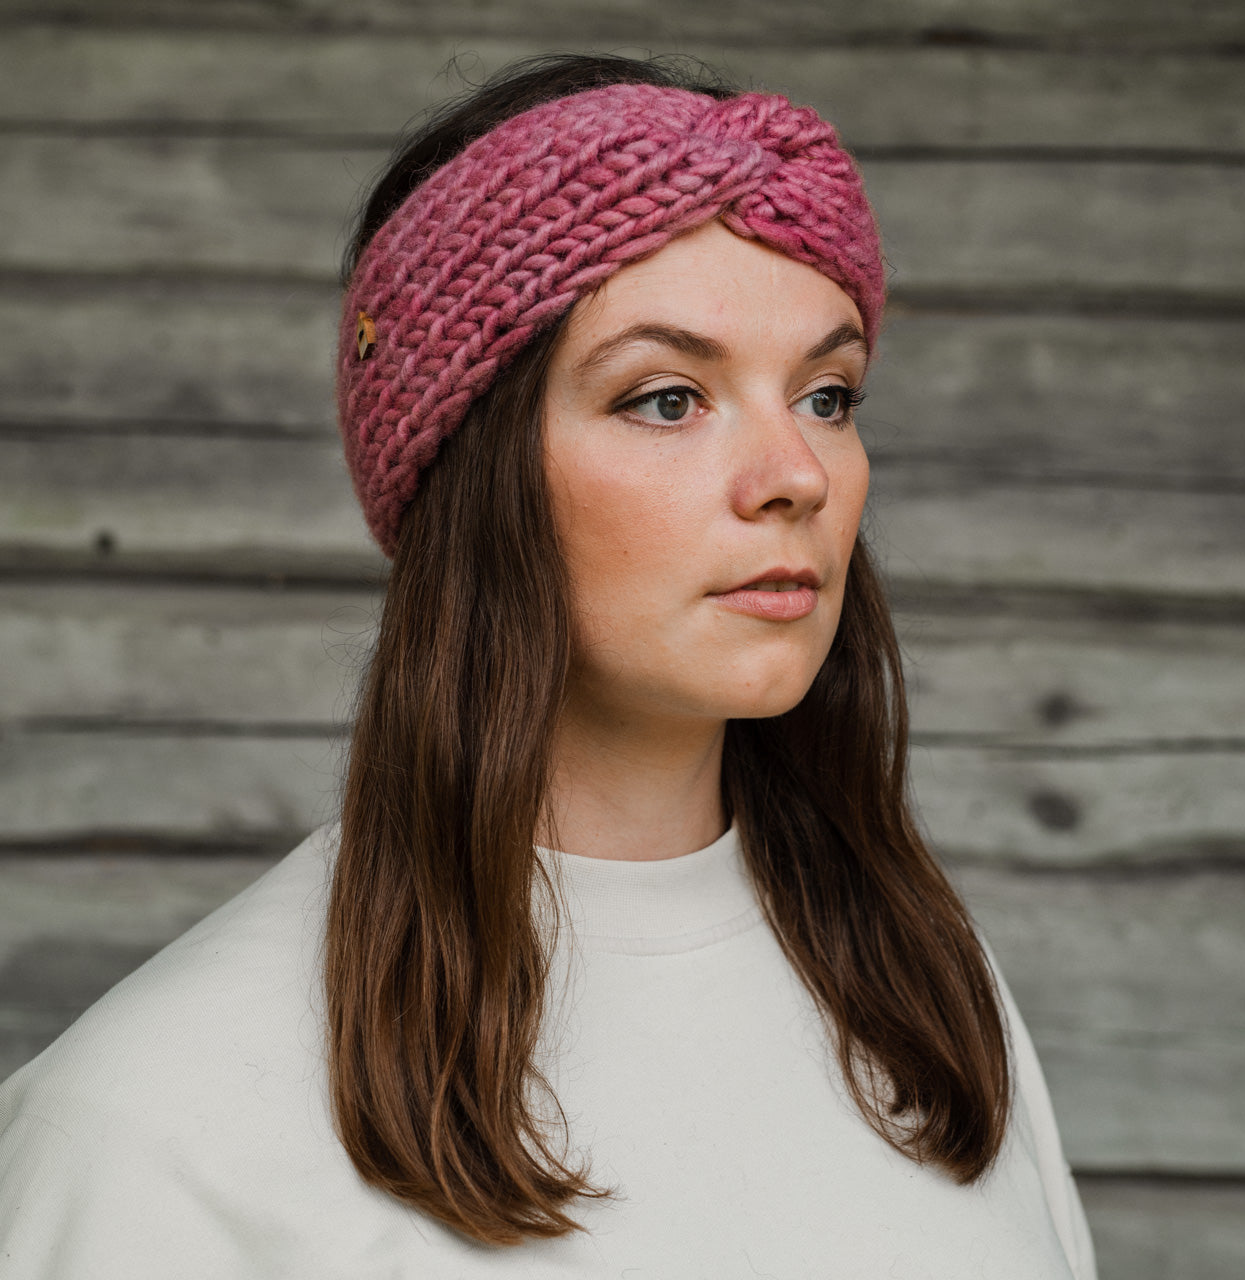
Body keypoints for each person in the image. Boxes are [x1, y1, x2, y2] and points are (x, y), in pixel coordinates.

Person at [0, 53, 1096, 1278]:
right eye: (668, 398)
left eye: (827, 394)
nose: (794, 473)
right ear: (472, 476)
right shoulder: (147, 1130)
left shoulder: (932, 1001)